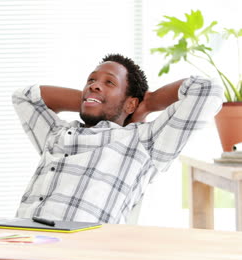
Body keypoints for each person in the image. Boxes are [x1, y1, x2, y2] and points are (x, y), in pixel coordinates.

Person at [12, 54, 223, 224]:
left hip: (81, 251)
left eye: (109, 82)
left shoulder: (143, 142)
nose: (94, 85)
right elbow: (24, 97)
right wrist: (94, 100)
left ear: (131, 105)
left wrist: (148, 103)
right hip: (21, 241)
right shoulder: (56, 133)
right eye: (91, 80)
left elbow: (207, 90)